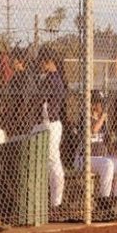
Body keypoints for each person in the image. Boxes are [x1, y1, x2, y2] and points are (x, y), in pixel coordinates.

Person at [77, 92, 117, 210]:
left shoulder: (103, 122)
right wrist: (102, 118)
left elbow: (109, 144)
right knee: (107, 164)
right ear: (92, 105)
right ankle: (104, 200)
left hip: (101, 160)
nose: (102, 105)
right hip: (84, 159)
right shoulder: (84, 117)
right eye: (100, 102)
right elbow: (92, 131)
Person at [32, 46, 66, 213]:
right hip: (41, 124)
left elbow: (45, 106)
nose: (39, 64)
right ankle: (44, 201)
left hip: (50, 124)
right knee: (38, 161)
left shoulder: (55, 79)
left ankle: (56, 204)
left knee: (53, 161)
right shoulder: (45, 78)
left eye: (41, 61)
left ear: (48, 62)